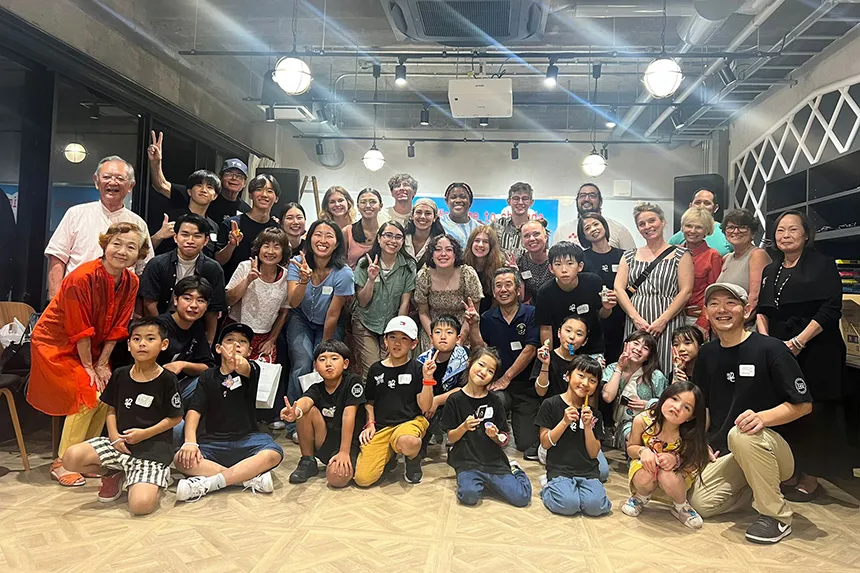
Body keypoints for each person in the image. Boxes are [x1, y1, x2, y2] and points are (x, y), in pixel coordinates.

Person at [689, 283, 813, 544]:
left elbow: (803, 404)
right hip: (729, 453)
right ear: (706, 311)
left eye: (730, 303)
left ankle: (777, 517)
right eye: (714, 304)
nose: (722, 310)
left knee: (743, 433)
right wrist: (701, 445)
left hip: (772, 449)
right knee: (701, 504)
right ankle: (759, 489)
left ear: (746, 311)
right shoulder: (707, 354)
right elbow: (705, 408)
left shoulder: (771, 349)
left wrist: (763, 418)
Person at [28, 222, 148, 486]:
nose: (122, 251)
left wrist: (103, 363)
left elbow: (119, 326)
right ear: (105, 244)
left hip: (91, 348)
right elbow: (79, 328)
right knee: (88, 392)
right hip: (55, 345)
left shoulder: (131, 281)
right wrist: (90, 366)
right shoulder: (81, 276)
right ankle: (63, 462)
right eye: (116, 243)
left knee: (106, 395)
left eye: (131, 247)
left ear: (139, 254)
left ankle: (84, 457)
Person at [757, 210, 845, 501]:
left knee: (816, 412)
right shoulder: (772, 268)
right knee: (787, 408)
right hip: (781, 349)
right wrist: (769, 344)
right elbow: (763, 310)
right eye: (780, 230)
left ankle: (811, 477)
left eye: (793, 230)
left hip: (817, 348)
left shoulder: (823, 264)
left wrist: (798, 341)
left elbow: (831, 309)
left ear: (806, 234)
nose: (786, 236)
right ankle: (791, 470)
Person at [62, 318, 182, 514]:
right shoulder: (120, 374)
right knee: (71, 458)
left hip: (152, 452)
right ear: (128, 345)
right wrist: (114, 436)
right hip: (120, 446)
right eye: (136, 338)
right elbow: (111, 409)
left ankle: (156, 479)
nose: (142, 343)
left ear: (164, 345)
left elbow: (175, 418)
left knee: (141, 506)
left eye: (150, 338)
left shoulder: (167, 379)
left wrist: (144, 434)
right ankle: (114, 473)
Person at [173, 323, 284, 501]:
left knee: (274, 453)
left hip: (248, 439)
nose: (236, 344)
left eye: (242, 342)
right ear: (218, 348)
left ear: (249, 351)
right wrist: (190, 442)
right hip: (213, 442)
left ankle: (207, 484)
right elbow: (194, 410)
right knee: (180, 459)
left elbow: (243, 367)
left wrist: (238, 362)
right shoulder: (207, 376)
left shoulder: (253, 369)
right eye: (230, 340)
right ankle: (246, 479)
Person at [45, 156, 153, 299]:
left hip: (120, 302)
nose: (112, 182)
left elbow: (144, 269)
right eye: (107, 177)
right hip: (75, 298)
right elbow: (57, 257)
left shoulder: (138, 224)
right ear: (96, 181)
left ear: (130, 186)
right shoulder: (76, 214)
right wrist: (55, 300)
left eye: (120, 178)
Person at [440, 347, 532, 507]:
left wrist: (495, 436)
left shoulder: (495, 401)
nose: (483, 372)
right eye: (481, 365)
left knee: (521, 497)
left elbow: (504, 437)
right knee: (468, 496)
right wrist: (463, 427)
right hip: (467, 461)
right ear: (469, 363)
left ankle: (514, 469)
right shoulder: (454, 399)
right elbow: (450, 437)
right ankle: (480, 481)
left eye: (490, 371)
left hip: (493, 461)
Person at [285, 220, 354, 419]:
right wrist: (304, 280)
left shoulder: (344, 273)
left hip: (330, 322)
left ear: (337, 243)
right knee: (302, 362)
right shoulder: (297, 263)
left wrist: (323, 349)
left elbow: (333, 314)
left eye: (329, 236)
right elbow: (294, 302)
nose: (322, 240)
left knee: (326, 362)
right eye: (318, 234)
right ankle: (293, 418)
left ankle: (321, 416)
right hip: (301, 318)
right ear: (309, 238)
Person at [614, 202, 694, 375]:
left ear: (663, 222)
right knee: (633, 368)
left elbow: (686, 291)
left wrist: (663, 320)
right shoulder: (628, 255)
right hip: (636, 321)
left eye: (652, 221)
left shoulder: (681, 254)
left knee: (667, 365)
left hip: (668, 321)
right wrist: (635, 318)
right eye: (641, 224)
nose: (647, 226)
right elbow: (618, 289)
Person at [467, 268, 539, 456]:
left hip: (526, 387)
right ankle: (495, 435)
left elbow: (531, 349)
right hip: (499, 386)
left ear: (518, 290)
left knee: (525, 443)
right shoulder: (488, 318)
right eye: (498, 286)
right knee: (494, 400)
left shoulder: (532, 313)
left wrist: (507, 377)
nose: (503, 290)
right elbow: (481, 349)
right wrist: (474, 326)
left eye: (508, 285)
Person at [354, 317, 434, 486]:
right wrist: (370, 423)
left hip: (409, 423)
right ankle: (388, 457)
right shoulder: (376, 369)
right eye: (392, 337)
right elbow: (370, 400)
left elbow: (425, 407)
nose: (397, 343)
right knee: (363, 479)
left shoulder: (418, 368)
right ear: (385, 340)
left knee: (409, 442)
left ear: (413, 343)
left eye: (404, 338)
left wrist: (427, 379)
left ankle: (412, 461)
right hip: (382, 426)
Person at [621, 382, 708, 529]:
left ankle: (681, 505)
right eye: (674, 399)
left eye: (686, 407)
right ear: (664, 397)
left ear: (690, 417)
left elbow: (694, 461)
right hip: (647, 468)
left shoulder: (689, 433)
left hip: (676, 475)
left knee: (667, 475)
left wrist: (676, 459)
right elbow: (631, 448)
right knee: (645, 472)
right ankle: (640, 497)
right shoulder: (643, 420)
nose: (677, 408)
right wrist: (643, 451)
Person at [282, 339, 366, 487]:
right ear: (315, 366)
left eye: (334, 358)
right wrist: (295, 411)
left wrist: (344, 452)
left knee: (337, 479)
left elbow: (349, 415)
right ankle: (307, 461)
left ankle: (343, 460)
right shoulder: (316, 387)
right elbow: (306, 401)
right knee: (306, 411)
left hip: (349, 443)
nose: (328, 364)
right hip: (326, 441)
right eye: (322, 359)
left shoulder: (353, 381)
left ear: (345, 363)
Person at [536, 355, 611, 517]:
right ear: (568, 376)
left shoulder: (595, 413)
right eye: (581, 376)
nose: (585, 383)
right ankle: (548, 488)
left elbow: (593, 453)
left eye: (592, 380)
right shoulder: (551, 404)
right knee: (568, 505)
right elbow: (545, 443)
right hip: (560, 470)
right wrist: (563, 422)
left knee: (595, 507)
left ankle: (577, 492)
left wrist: (589, 427)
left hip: (588, 472)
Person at [139, 213, 226, 344]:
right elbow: (149, 303)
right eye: (185, 235)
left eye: (197, 236)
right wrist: (161, 332)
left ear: (206, 241)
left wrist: (208, 341)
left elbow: (213, 311)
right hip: (159, 326)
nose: (190, 240)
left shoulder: (213, 269)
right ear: (175, 237)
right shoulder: (157, 264)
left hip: (196, 330)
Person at [352, 221, 416, 377]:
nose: (393, 241)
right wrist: (371, 279)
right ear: (379, 239)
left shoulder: (408, 266)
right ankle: (369, 402)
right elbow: (362, 302)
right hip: (365, 322)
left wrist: (397, 333)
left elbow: (405, 303)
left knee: (391, 366)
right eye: (388, 235)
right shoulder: (364, 263)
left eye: (398, 237)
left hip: (391, 325)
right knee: (373, 369)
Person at [536, 241, 615, 361]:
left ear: (580, 266)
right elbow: (546, 328)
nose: (564, 270)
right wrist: (551, 358)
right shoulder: (544, 292)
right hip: (561, 350)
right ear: (551, 268)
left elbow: (603, 315)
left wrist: (607, 307)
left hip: (592, 348)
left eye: (569, 263)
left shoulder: (593, 282)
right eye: (558, 264)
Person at [147, 132, 250, 224]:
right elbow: (161, 185)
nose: (234, 178)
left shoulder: (245, 210)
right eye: (229, 173)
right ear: (220, 177)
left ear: (245, 183)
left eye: (239, 176)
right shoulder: (198, 194)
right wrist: (156, 162)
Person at [225, 227, 291, 361]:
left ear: (283, 252)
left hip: (264, 338)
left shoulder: (286, 277)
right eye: (266, 246)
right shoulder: (245, 267)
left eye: (276, 247)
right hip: (236, 331)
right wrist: (248, 279)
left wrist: (271, 340)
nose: (270, 251)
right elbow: (228, 300)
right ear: (259, 249)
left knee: (262, 378)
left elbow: (284, 312)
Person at [414, 234, 484, 352]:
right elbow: (423, 313)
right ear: (431, 254)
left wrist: (460, 339)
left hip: (464, 329)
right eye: (437, 249)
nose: (443, 254)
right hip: (433, 330)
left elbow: (473, 312)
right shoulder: (424, 275)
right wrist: (433, 337)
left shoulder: (468, 274)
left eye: (449, 250)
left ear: (455, 254)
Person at [416, 315, 470, 453]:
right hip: (427, 407)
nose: (443, 336)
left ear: (458, 338)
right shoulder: (422, 360)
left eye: (449, 332)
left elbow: (465, 388)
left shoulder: (465, 357)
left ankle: (456, 441)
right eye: (438, 332)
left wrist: (437, 400)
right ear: (431, 337)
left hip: (453, 405)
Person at [216, 173, 280, 283]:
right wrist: (231, 245)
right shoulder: (232, 224)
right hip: (232, 288)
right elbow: (219, 261)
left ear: (276, 198)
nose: (264, 194)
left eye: (269, 191)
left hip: (263, 290)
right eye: (259, 189)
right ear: (250, 195)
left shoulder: (277, 230)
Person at [581, 212, 625, 363]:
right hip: (594, 317)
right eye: (587, 228)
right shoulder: (582, 258)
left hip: (621, 316)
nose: (593, 229)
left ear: (604, 226)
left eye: (596, 224)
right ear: (584, 236)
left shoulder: (624, 256)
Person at [149, 170, 221, 257]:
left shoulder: (214, 226)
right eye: (199, 185)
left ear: (215, 196)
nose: (204, 190)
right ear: (189, 191)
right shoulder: (170, 218)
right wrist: (159, 236)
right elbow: (143, 250)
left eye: (209, 187)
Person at [552, 183, 636, 251]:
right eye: (582, 195)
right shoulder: (562, 231)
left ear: (600, 201)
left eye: (592, 195)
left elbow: (632, 261)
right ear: (577, 201)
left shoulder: (618, 229)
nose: (586, 199)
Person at [678, 207, 723, 333]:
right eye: (688, 226)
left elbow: (713, 293)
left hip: (695, 318)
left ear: (707, 230)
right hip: (670, 316)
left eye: (698, 227)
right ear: (682, 227)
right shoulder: (672, 253)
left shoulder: (713, 256)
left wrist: (703, 323)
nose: (692, 231)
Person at [717, 209, 771, 313]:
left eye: (742, 227)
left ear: (753, 232)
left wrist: (741, 319)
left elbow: (755, 298)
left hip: (745, 322)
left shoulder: (757, 255)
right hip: (725, 319)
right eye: (731, 227)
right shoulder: (727, 258)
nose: (736, 231)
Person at [533, 315, 590, 399]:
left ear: (584, 341)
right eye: (568, 330)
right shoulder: (545, 357)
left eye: (579, 334)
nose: (572, 337)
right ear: (559, 332)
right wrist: (545, 364)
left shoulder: (584, 364)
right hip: (549, 409)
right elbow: (541, 392)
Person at [669, 188, 732, 256]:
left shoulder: (726, 233)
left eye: (707, 203)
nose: (701, 206)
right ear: (690, 206)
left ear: (715, 208)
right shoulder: (677, 238)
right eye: (697, 202)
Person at [464, 225, 504, 314]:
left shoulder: (500, 265)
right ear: (471, 243)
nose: (480, 245)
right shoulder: (462, 264)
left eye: (485, 242)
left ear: (491, 246)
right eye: (477, 241)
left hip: (491, 314)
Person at [342, 188, 383, 268]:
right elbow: (340, 262)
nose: (367, 206)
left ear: (380, 206)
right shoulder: (347, 232)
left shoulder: (385, 233)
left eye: (373, 202)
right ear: (358, 207)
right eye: (363, 202)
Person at [491, 182, 534, 256]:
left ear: (531, 202)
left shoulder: (537, 230)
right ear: (509, 201)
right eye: (516, 198)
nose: (520, 202)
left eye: (525, 198)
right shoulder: (496, 226)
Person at [516, 218, 553, 303]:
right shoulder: (520, 262)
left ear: (545, 237)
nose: (532, 239)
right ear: (522, 241)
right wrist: (516, 273)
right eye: (526, 236)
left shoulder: (556, 258)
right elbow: (520, 298)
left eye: (536, 234)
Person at [404, 198, 444, 269]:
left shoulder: (440, 243)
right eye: (418, 212)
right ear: (412, 216)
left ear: (435, 218)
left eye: (428, 213)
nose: (422, 216)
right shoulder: (401, 239)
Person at [439, 182, 482, 248]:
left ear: (470, 201)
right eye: (453, 197)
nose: (458, 200)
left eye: (463, 197)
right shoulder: (438, 224)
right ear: (446, 201)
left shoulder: (479, 228)